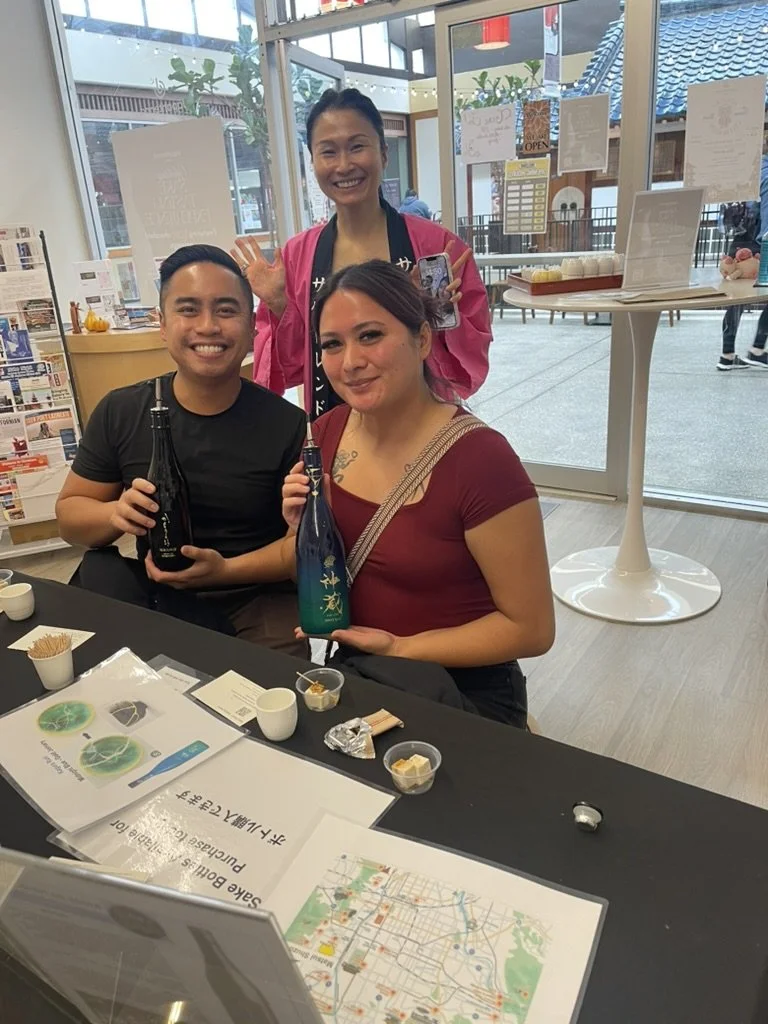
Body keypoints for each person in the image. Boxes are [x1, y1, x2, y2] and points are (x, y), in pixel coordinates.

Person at [281, 260, 555, 727]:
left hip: (458, 690)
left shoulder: (480, 460)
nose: (350, 362)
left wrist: (400, 647)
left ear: (422, 339)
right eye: (332, 344)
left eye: (370, 335)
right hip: (361, 671)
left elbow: (531, 629)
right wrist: (301, 536)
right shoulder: (323, 435)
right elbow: (322, 576)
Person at [55, 244, 307, 656]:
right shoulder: (122, 410)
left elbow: (299, 549)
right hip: (156, 599)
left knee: (266, 707)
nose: (208, 326)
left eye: (227, 310)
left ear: (251, 327)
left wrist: (224, 571)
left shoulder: (287, 424)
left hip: (258, 604)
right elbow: (70, 517)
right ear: (162, 323)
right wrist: (115, 514)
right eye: (188, 309)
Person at [232, 87, 492, 421]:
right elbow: (296, 366)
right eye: (328, 152)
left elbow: (470, 354)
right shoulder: (297, 255)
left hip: (421, 425)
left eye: (357, 147)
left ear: (383, 153)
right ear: (312, 162)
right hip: (335, 425)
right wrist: (280, 304)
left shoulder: (435, 245)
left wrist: (433, 311)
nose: (344, 165)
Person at [717, 146, 768, 371]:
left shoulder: (749, 170)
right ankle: (757, 348)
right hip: (758, 242)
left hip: (738, 237)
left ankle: (727, 354)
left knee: (734, 298)